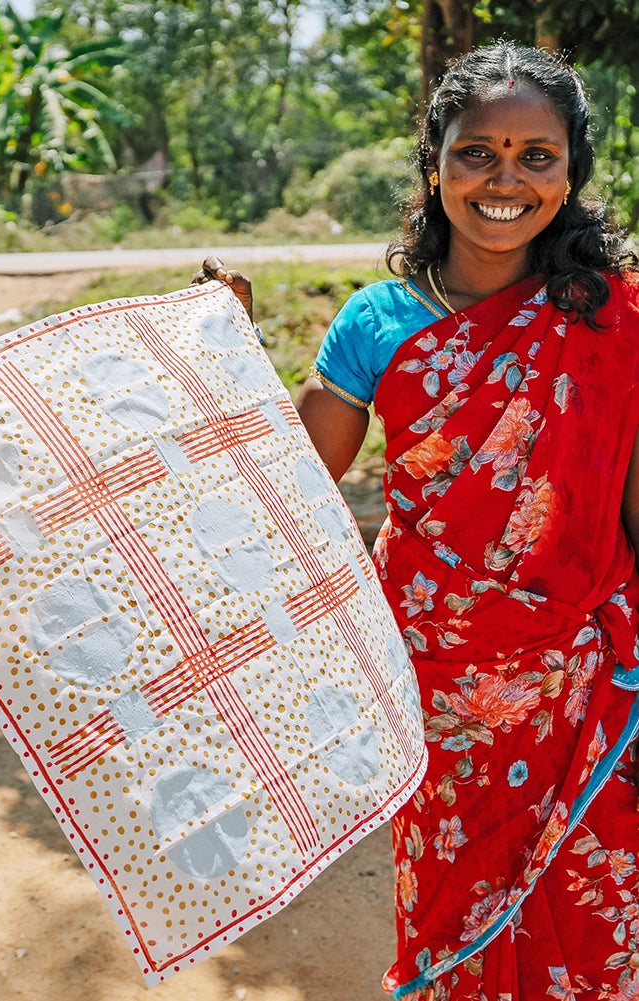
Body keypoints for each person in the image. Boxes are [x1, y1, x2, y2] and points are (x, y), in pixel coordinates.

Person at [192, 41, 639, 1001]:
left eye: (536, 154)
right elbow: (295, 487)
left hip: (584, 677)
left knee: (595, 913)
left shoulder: (614, 319)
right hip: (432, 676)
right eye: (477, 152)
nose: (504, 179)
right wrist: (229, 357)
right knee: (453, 902)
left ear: (572, 168)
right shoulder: (376, 322)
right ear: (434, 162)